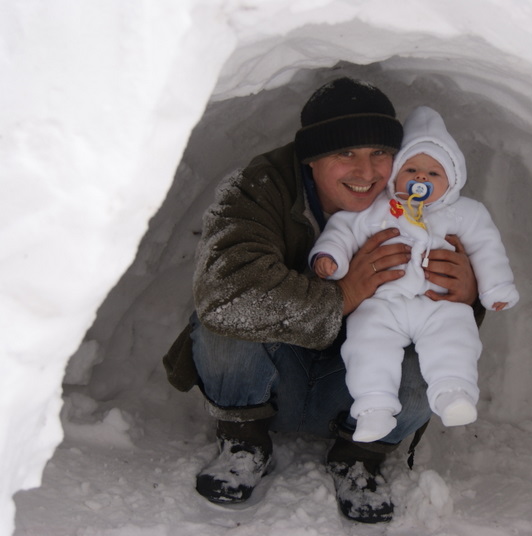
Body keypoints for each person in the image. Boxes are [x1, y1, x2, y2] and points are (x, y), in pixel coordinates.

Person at [162, 78, 483, 524]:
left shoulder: (426, 201)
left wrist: (466, 297)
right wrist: (344, 294)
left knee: (427, 372)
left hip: (359, 385)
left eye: (379, 153)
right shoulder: (258, 188)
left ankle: (359, 455)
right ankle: (245, 440)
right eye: (343, 153)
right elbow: (226, 295)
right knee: (223, 325)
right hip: (274, 373)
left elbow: (445, 326)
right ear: (310, 159)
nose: (366, 172)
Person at [310, 106, 519, 443]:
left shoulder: (465, 213)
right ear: (396, 174)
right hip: (383, 304)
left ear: (453, 180)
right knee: (367, 344)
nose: (421, 179)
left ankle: (453, 393)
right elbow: (342, 230)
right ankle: (373, 407)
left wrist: (495, 288)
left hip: (438, 303)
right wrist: (330, 257)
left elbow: (486, 247)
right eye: (412, 169)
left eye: (433, 174)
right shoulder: (378, 207)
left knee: (455, 337)